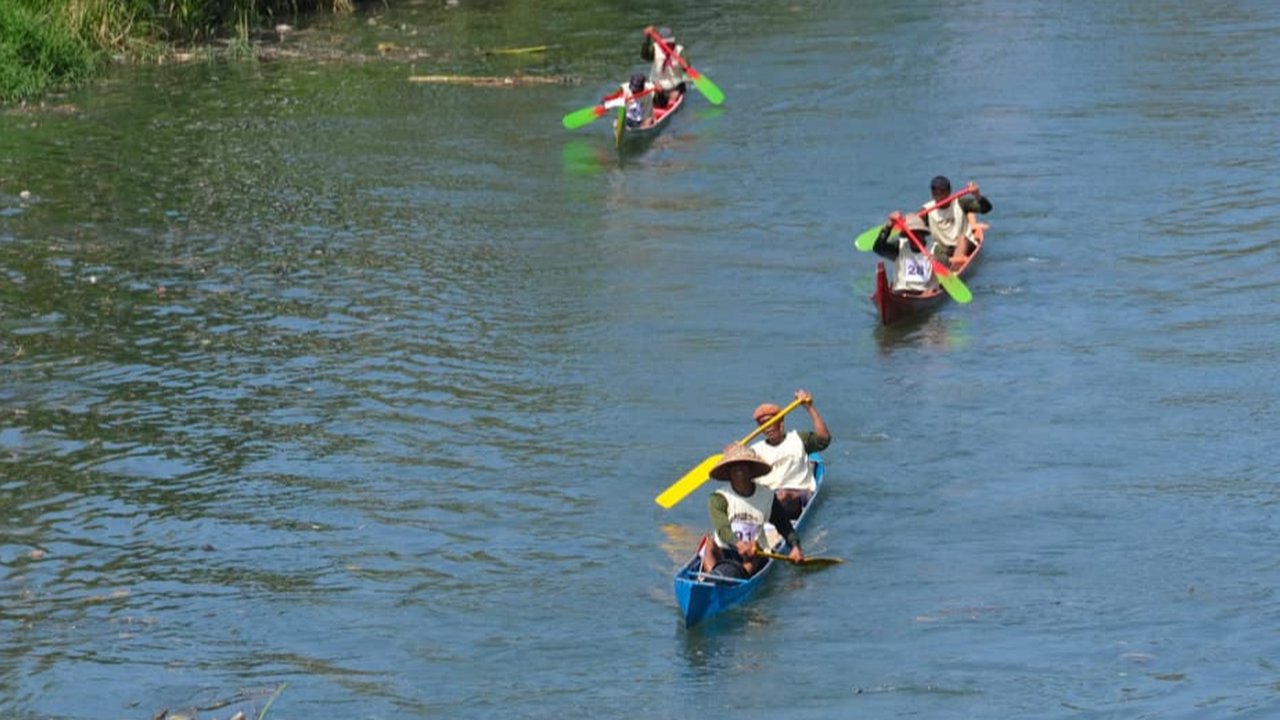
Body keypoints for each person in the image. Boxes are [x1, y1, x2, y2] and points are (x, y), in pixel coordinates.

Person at [700, 444, 805, 578]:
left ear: (751, 470)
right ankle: (713, 578)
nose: (739, 470)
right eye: (734, 466)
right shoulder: (718, 498)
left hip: (755, 554)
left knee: (754, 551)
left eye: (744, 465)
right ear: (728, 472)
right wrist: (739, 544)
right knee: (708, 543)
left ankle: (735, 577)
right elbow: (722, 529)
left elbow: (784, 524)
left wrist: (795, 547)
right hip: (726, 551)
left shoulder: (767, 496)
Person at [749, 389, 831, 520]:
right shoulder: (754, 450)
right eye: (763, 424)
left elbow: (824, 439)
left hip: (798, 494)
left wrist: (809, 407)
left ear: (781, 422)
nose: (768, 427)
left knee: (784, 495)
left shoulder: (798, 439)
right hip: (768, 499)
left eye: (770, 422)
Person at [921, 176, 993, 268]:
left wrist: (977, 195)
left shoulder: (961, 203)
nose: (938, 197)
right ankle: (943, 269)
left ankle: (954, 270)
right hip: (944, 249)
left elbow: (986, 209)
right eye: (935, 193)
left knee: (962, 238)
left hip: (966, 245)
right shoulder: (926, 210)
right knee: (934, 249)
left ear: (949, 192)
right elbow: (912, 226)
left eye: (941, 193)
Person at [872, 212, 939, 294]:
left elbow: (945, 263)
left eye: (917, 234)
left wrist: (938, 261)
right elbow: (878, 248)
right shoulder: (900, 246)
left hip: (925, 292)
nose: (913, 238)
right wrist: (889, 226)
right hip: (901, 292)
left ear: (923, 234)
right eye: (910, 235)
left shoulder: (935, 249)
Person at [640, 26, 688, 109]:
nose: (669, 45)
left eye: (670, 43)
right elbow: (645, 56)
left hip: (675, 86)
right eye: (666, 43)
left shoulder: (680, 50)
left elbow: (687, 67)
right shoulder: (654, 48)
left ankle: (671, 101)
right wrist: (648, 38)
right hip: (657, 85)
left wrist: (685, 66)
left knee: (673, 97)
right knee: (656, 101)